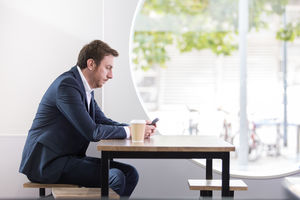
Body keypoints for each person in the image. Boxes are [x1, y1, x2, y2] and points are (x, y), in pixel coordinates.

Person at [19, 40, 156, 197]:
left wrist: (137, 129)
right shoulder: (67, 86)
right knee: (115, 177)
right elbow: (92, 131)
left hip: (67, 158)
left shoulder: (84, 89)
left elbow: (103, 121)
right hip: (48, 163)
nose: (111, 75)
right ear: (91, 64)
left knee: (130, 173)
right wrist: (129, 131)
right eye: (108, 68)